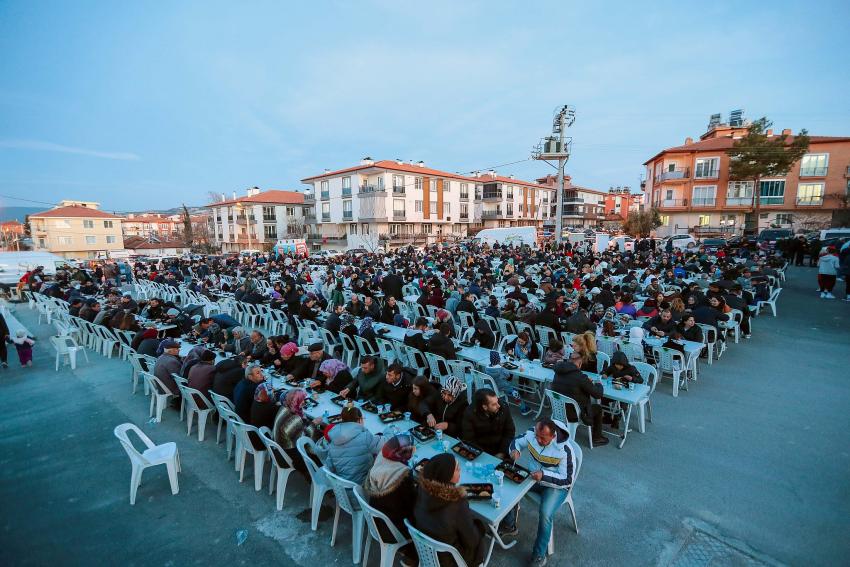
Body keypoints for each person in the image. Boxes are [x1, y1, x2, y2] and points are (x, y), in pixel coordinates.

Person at [500, 419, 577, 567]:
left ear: (553, 436)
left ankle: (539, 555)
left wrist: (544, 475)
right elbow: (516, 441)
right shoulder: (533, 434)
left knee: (546, 513)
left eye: (543, 438)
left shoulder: (565, 450)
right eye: (537, 436)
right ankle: (509, 526)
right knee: (510, 485)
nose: (538, 440)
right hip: (534, 477)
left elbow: (567, 479)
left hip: (556, 486)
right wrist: (514, 450)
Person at [413, 453, 487, 567]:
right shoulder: (457, 504)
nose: (460, 469)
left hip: (426, 552)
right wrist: (479, 526)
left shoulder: (421, 489)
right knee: (479, 537)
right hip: (450, 560)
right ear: (446, 477)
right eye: (457, 469)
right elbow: (472, 541)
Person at [363, 433, 418, 565]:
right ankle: (411, 557)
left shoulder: (381, 458)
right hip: (392, 528)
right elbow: (412, 506)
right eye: (411, 449)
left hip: (376, 518)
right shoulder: (402, 474)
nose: (414, 450)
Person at [550, 357, 608, 446]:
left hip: (558, 411)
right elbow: (597, 394)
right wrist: (598, 384)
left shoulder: (558, 372)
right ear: (580, 364)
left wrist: (586, 383)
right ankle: (597, 437)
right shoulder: (581, 377)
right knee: (598, 408)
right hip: (574, 414)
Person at [321, 405, 382, 484]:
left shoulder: (333, 438)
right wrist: (389, 430)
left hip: (343, 483)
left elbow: (330, 466)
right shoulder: (365, 436)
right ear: (359, 420)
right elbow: (384, 445)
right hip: (363, 483)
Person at [273, 388, 324, 479]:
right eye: (301, 400)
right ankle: (317, 480)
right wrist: (314, 424)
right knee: (320, 453)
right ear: (295, 401)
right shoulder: (294, 419)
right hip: (289, 455)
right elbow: (303, 440)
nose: (304, 402)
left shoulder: (284, 407)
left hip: (279, 447)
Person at [461, 388, 516, 458]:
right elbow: (469, 439)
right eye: (494, 404)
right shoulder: (469, 414)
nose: (498, 405)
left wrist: (502, 452)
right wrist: (483, 456)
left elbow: (510, 432)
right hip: (481, 452)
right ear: (485, 407)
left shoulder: (503, 408)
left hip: (502, 448)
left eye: (497, 401)